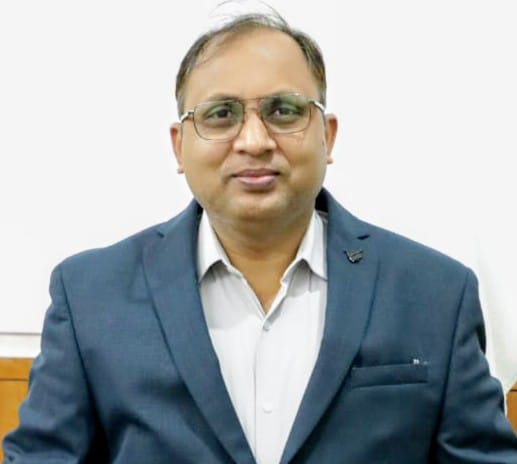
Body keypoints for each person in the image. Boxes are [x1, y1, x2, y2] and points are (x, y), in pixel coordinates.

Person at [3, 10, 517, 464]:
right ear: (179, 146)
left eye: (284, 110)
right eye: (220, 114)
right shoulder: (90, 295)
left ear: (327, 135)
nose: (254, 141)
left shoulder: (436, 294)